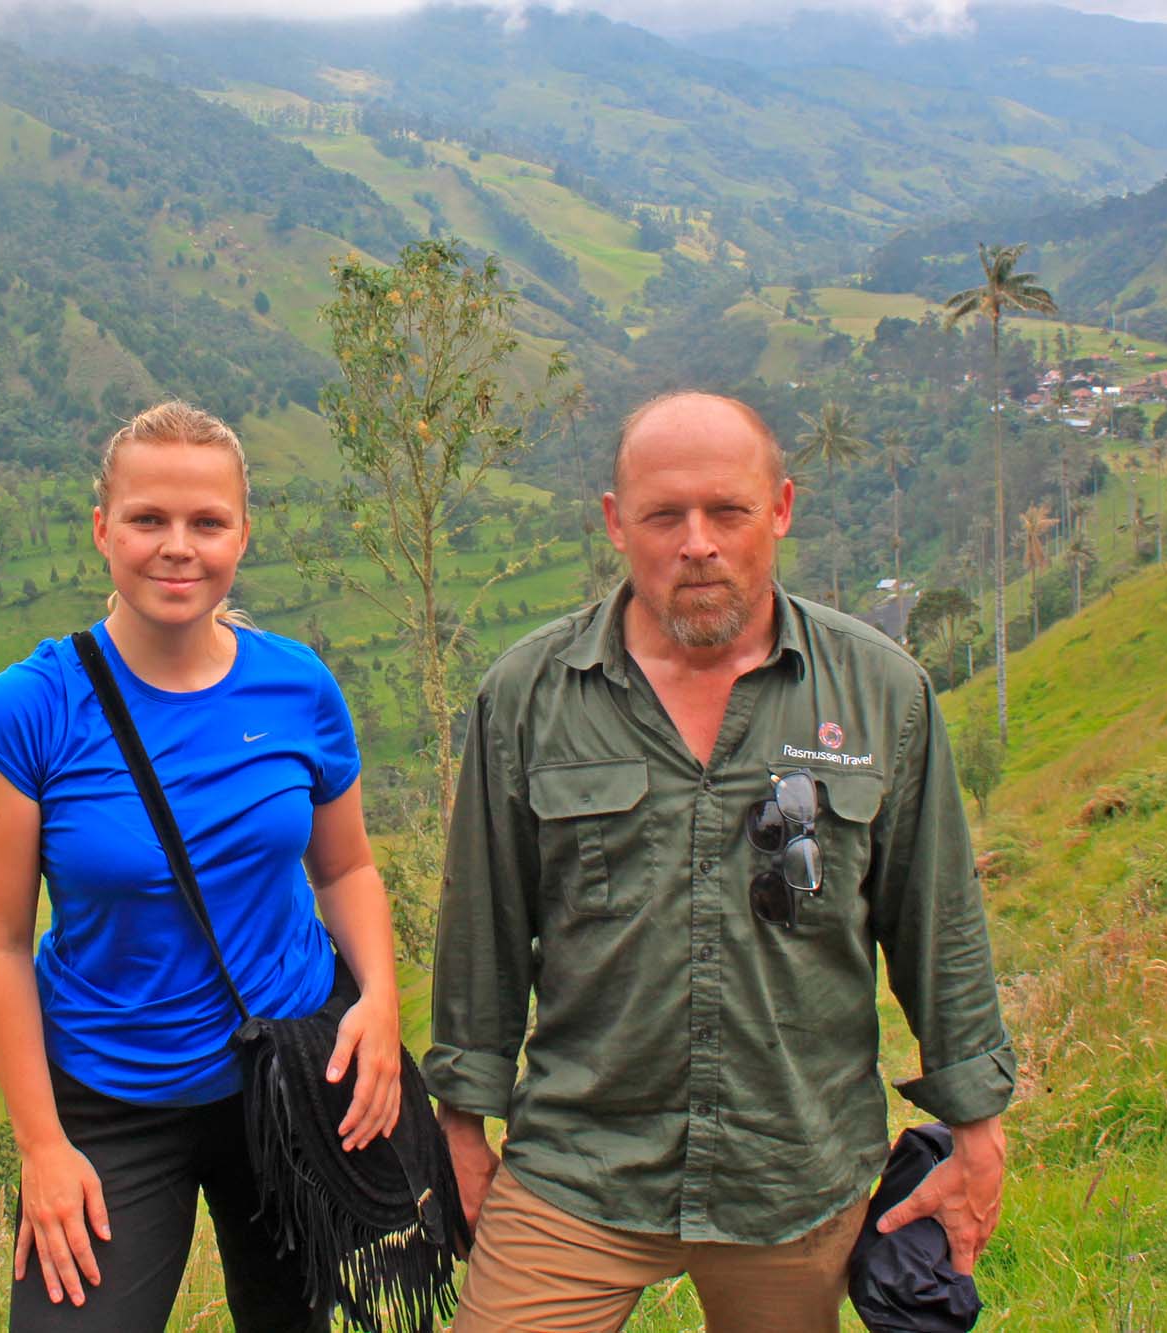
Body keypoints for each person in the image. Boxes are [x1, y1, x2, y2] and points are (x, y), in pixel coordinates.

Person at [425, 391, 1016, 1331]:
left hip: (793, 1171)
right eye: (664, 515)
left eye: (727, 512)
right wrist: (458, 1121)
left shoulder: (881, 692)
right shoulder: (529, 695)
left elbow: (936, 919)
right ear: (619, 525)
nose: (696, 541)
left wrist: (978, 1130)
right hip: (579, 1162)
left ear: (778, 510)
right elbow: (481, 930)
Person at [0, 400, 405, 1330]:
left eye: (207, 523)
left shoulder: (298, 686)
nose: (178, 547)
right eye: (148, 519)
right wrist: (41, 1145)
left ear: (243, 534)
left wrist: (382, 1002)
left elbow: (348, 870)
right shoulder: (28, 711)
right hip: (110, 1093)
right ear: (102, 530)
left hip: (284, 1080)